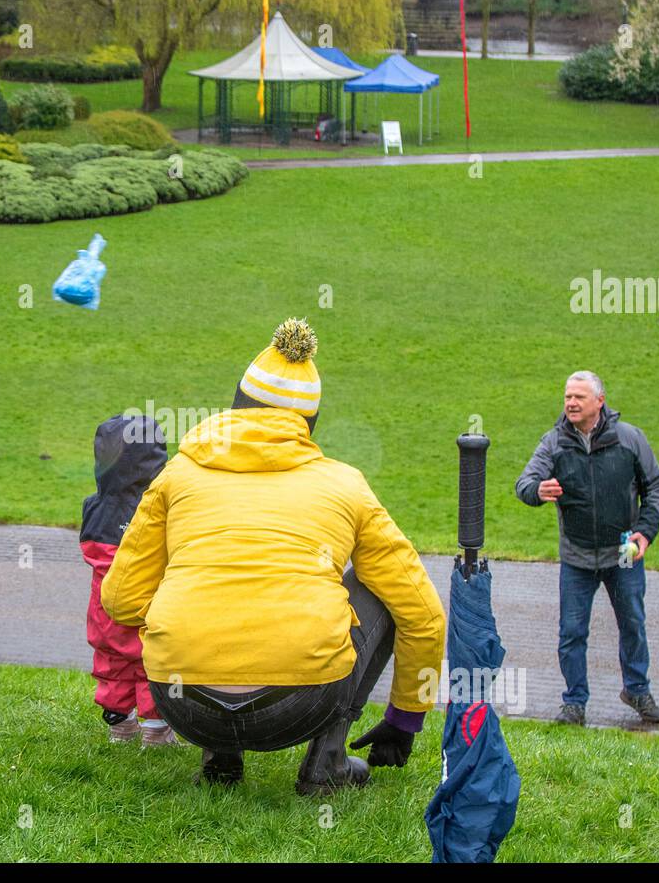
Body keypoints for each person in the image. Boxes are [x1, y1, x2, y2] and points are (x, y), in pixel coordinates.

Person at [100, 319, 446, 795]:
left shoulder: (178, 474)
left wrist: (178, 623)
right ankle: (328, 761)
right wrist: (405, 718)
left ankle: (220, 760)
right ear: (309, 423)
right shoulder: (346, 484)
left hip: (184, 705)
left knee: (197, 578)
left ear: (236, 407)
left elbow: (119, 599)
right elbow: (424, 615)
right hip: (301, 704)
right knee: (384, 592)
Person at [515, 371, 659, 727]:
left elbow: (656, 485)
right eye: (567, 396)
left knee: (632, 623)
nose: (570, 403)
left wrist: (644, 533)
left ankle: (637, 691)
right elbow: (524, 483)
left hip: (623, 554)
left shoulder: (629, 438)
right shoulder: (554, 443)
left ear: (599, 401)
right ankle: (574, 703)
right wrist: (537, 492)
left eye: (579, 397)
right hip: (577, 556)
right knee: (572, 632)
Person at [80, 414, 179, 747]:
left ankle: (119, 724)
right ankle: (155, 728)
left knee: (112, 662)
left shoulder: (95, 506)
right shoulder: (157, 510)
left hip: (105, 608)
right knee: (150, 662)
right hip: (145, 605)